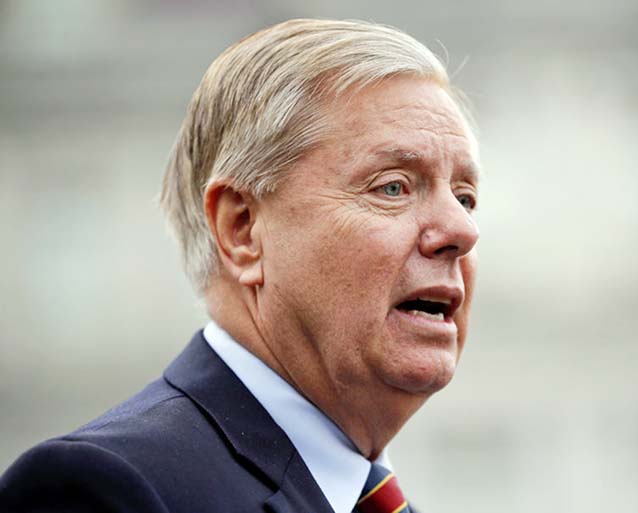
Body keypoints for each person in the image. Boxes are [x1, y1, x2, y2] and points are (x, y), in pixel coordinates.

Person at [0, 18, 480, 513]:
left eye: (465, 198)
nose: (463, 232)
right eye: (393, 187)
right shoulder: (101, 490)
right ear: (242, 230)